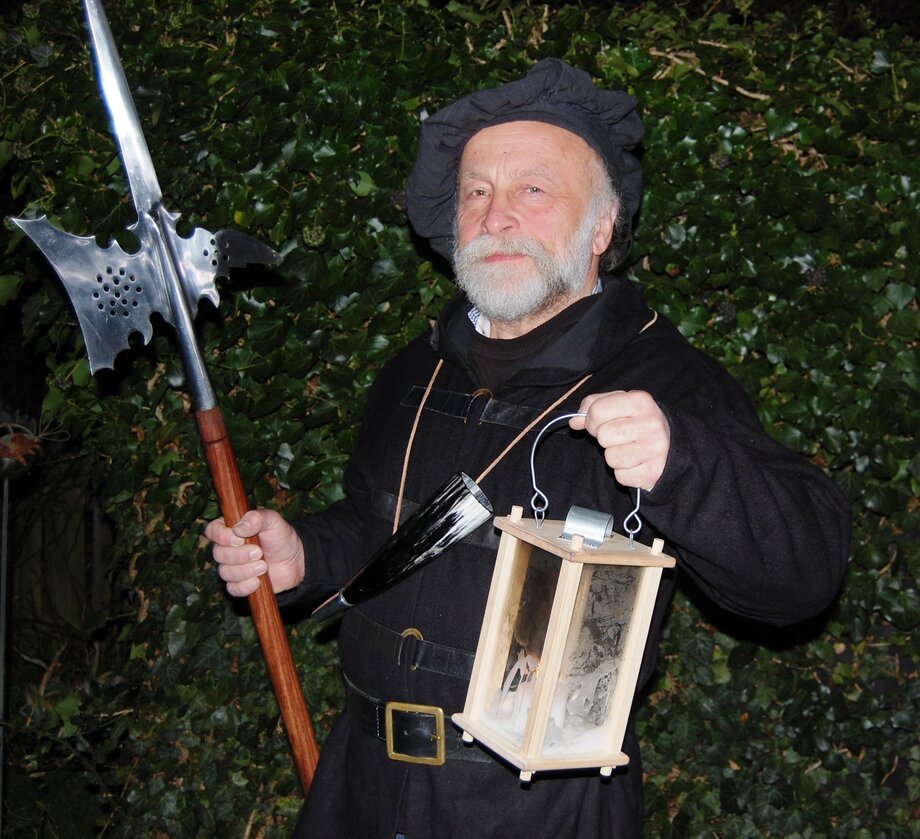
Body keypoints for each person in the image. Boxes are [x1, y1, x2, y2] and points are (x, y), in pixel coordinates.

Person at [205, 58, 850, 838]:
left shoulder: (667, 379)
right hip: (360, 788)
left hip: (541, 811)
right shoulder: (415, 367)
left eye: (532, 190)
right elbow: (383, 530)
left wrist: (684, 462)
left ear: (601, 228)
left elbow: (804, 573)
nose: (496, 215)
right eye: (477, 191)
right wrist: (303, 554)